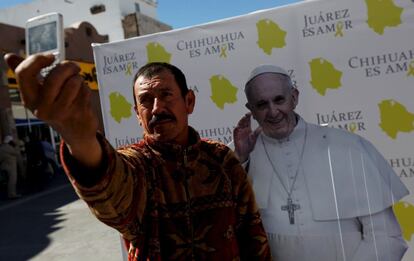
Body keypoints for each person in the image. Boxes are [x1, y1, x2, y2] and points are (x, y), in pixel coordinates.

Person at [4, 53, 271, 261]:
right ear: (136, 113)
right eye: (146, 100)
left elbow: (251, 230)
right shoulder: (137, 164)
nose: (157, 108)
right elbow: (111, 190)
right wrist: (80, 136)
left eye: (166, 95)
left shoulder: (220, 158)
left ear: (189, 101)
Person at [233, 64, 409, 261]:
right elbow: (228, 230)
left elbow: (386, 237)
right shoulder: (239, 156)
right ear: (251, 110)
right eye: (262, 104)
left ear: (294, 97)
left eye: (279, 100)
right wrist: (240, 160)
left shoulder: (348, 146)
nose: (273, 112)